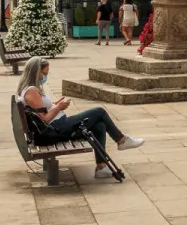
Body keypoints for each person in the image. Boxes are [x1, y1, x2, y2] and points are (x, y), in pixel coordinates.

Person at [15, 56, 144, 179]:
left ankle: (101, 168)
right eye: (44, 73)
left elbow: (41, 113)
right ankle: (121, 140)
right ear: (36, 72)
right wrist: (58, 108)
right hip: (54, 130)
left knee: (100, 125)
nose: (45, 76)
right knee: (99, 111)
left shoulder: (29, 89)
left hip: (56, 127)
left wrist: (53, 105)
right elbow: (44, 119)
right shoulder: (32, 91)